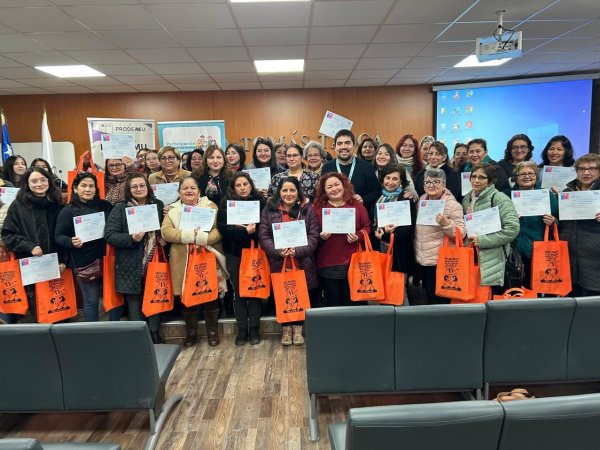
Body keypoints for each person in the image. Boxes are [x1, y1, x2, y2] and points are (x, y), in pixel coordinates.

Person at [161, 176, 226, 347]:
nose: (189, 191)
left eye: (192, 188)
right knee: (187, 294)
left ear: (199, 191)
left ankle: (212, 332)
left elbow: (219, 230)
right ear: (179, 192)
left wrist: (203, 237)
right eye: (185, 188)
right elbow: (165, 232)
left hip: (208, 255)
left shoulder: (210, 206)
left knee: (210, 293)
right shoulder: (173, 210)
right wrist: (188, 235)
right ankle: (191, 333)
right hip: (183, 259)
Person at [104, 173, 165, 343]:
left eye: (142, 185)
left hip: (155, 259)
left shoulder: (158, 205)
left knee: (155, 295)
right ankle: (141, 338)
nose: (139, 189)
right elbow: (109, 235)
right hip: (130, 262)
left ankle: (154, 332)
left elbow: (163, 228)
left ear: (148, 187)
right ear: (128, 189)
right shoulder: (120, 208)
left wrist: (162, 237)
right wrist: (131, 239)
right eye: (134, 186)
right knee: (134, 301)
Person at [258, 176, 319, 346]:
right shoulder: (269, 209)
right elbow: (264, 235)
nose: (288, 193)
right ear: (279, 192)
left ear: (298, 192)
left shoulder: (307, 209)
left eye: (292, 190)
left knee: (300, 294)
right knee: (282, 294)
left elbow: (314, 235)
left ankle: (298, 328)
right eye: (284, 190)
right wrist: (278, 252)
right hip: (279, 261)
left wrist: (297, 251)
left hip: (302, 260)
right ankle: (285, 328)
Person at [1, 167, 66, 323]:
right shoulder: (18, 206)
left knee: (58, 305)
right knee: (37, 306)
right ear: (27, 183)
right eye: (34, 181)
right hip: (31, 264)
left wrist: (64, 260)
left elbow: (64, 234)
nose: (39, 184)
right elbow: (8, 234)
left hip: (55, 263)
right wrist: (29, 246)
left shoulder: (57, 203)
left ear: (49, 181)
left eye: (43, 180)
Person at [55, 172, 116, 322]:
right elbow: (59, 236)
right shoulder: (67, 211)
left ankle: (114, 329)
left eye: (91, 186)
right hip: (84, 262)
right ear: (75, 188)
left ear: (96, 189)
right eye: (83, 186)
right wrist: (71, 241)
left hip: (108, 258)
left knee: (113, 297)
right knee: (91, 300)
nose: (87, 189)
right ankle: (92, 332)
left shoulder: (105, 205)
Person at [217, 173, 266, 345]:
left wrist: (253, 231)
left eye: (246, 184)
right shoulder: (226, 204)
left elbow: (265, 227)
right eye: (238, 185)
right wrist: (243, 231)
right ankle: (242, 329)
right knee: (239, 293)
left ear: (251, 185)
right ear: (233, 188)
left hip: (255, 252)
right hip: (234, 255)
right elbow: (223, 229)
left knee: (254, 291)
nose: (243, 188)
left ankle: (254, 328)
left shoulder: (260, 202)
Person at [313, 172, 370, 307]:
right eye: (329, 187)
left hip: (354, 263)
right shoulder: (317, 208)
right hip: (328, 264)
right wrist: (320, 236)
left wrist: (358, 236)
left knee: (354, 303)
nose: (334, 189)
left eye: (337, 184)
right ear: (324, 191)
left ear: (344, 186)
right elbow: (311, 232)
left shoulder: (356, 205)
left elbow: (367, 226)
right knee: (333, 303)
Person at [462, 163, 520, 293]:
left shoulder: (500, 198)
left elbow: (512, 229)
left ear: (490, 181)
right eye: (474, 176)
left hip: (494, 258)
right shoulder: (467, 198)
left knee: (492, 297)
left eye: (482, 177)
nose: (476, 180)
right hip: (472, 255)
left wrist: (483, 240)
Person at [414, 168, 466, 304]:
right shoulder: (421, 201)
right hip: (423, 259)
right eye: (427, 182)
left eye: (436, 182)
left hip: (442, 261)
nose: (431, 185)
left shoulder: (453, 205)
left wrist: (447, 224)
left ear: (444, 184)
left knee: (442, 299)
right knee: (429, 296)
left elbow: (461, 233)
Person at [372, 164, 416, 305]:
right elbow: (374, 224)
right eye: (388, 178)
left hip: (399, 252)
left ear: (401, 181)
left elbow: (408, 230)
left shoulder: (406, 199)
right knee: (383, 290)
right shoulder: (378, 198)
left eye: (395, 179)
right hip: (381, 249)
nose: (390, 182)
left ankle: (404, 318)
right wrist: (379, 231)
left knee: (398, 292)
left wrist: (386, 236)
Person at [559, 154, 600, 296]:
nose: (586, 172)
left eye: (591, 169)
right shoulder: (567, 192)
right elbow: (561, 220)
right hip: (569, 255)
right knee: (570, 298)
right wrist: (553, 220)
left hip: (594, 257)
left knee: (592, 300)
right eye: (582, 169)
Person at [512, 161, 558, 289]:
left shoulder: (547, 195)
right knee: (516, 287)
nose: (527, 176)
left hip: (539, 249)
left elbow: (558, 218)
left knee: (537, 286)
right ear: (516, 178)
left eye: (531, 173)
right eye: (522, 174)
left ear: (536, 176)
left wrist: (553, 221)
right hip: (514, 250)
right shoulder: (507, 195)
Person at [321, 129, 380, 212]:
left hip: (360, 214)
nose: (343, 147)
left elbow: (377, 191)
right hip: (334, 214)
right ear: (335, 146)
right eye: (339, 143)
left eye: (347, 143)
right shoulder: (327, 167)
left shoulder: (367, 167)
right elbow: (322, 193)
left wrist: (363, 199)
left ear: (354, 145)